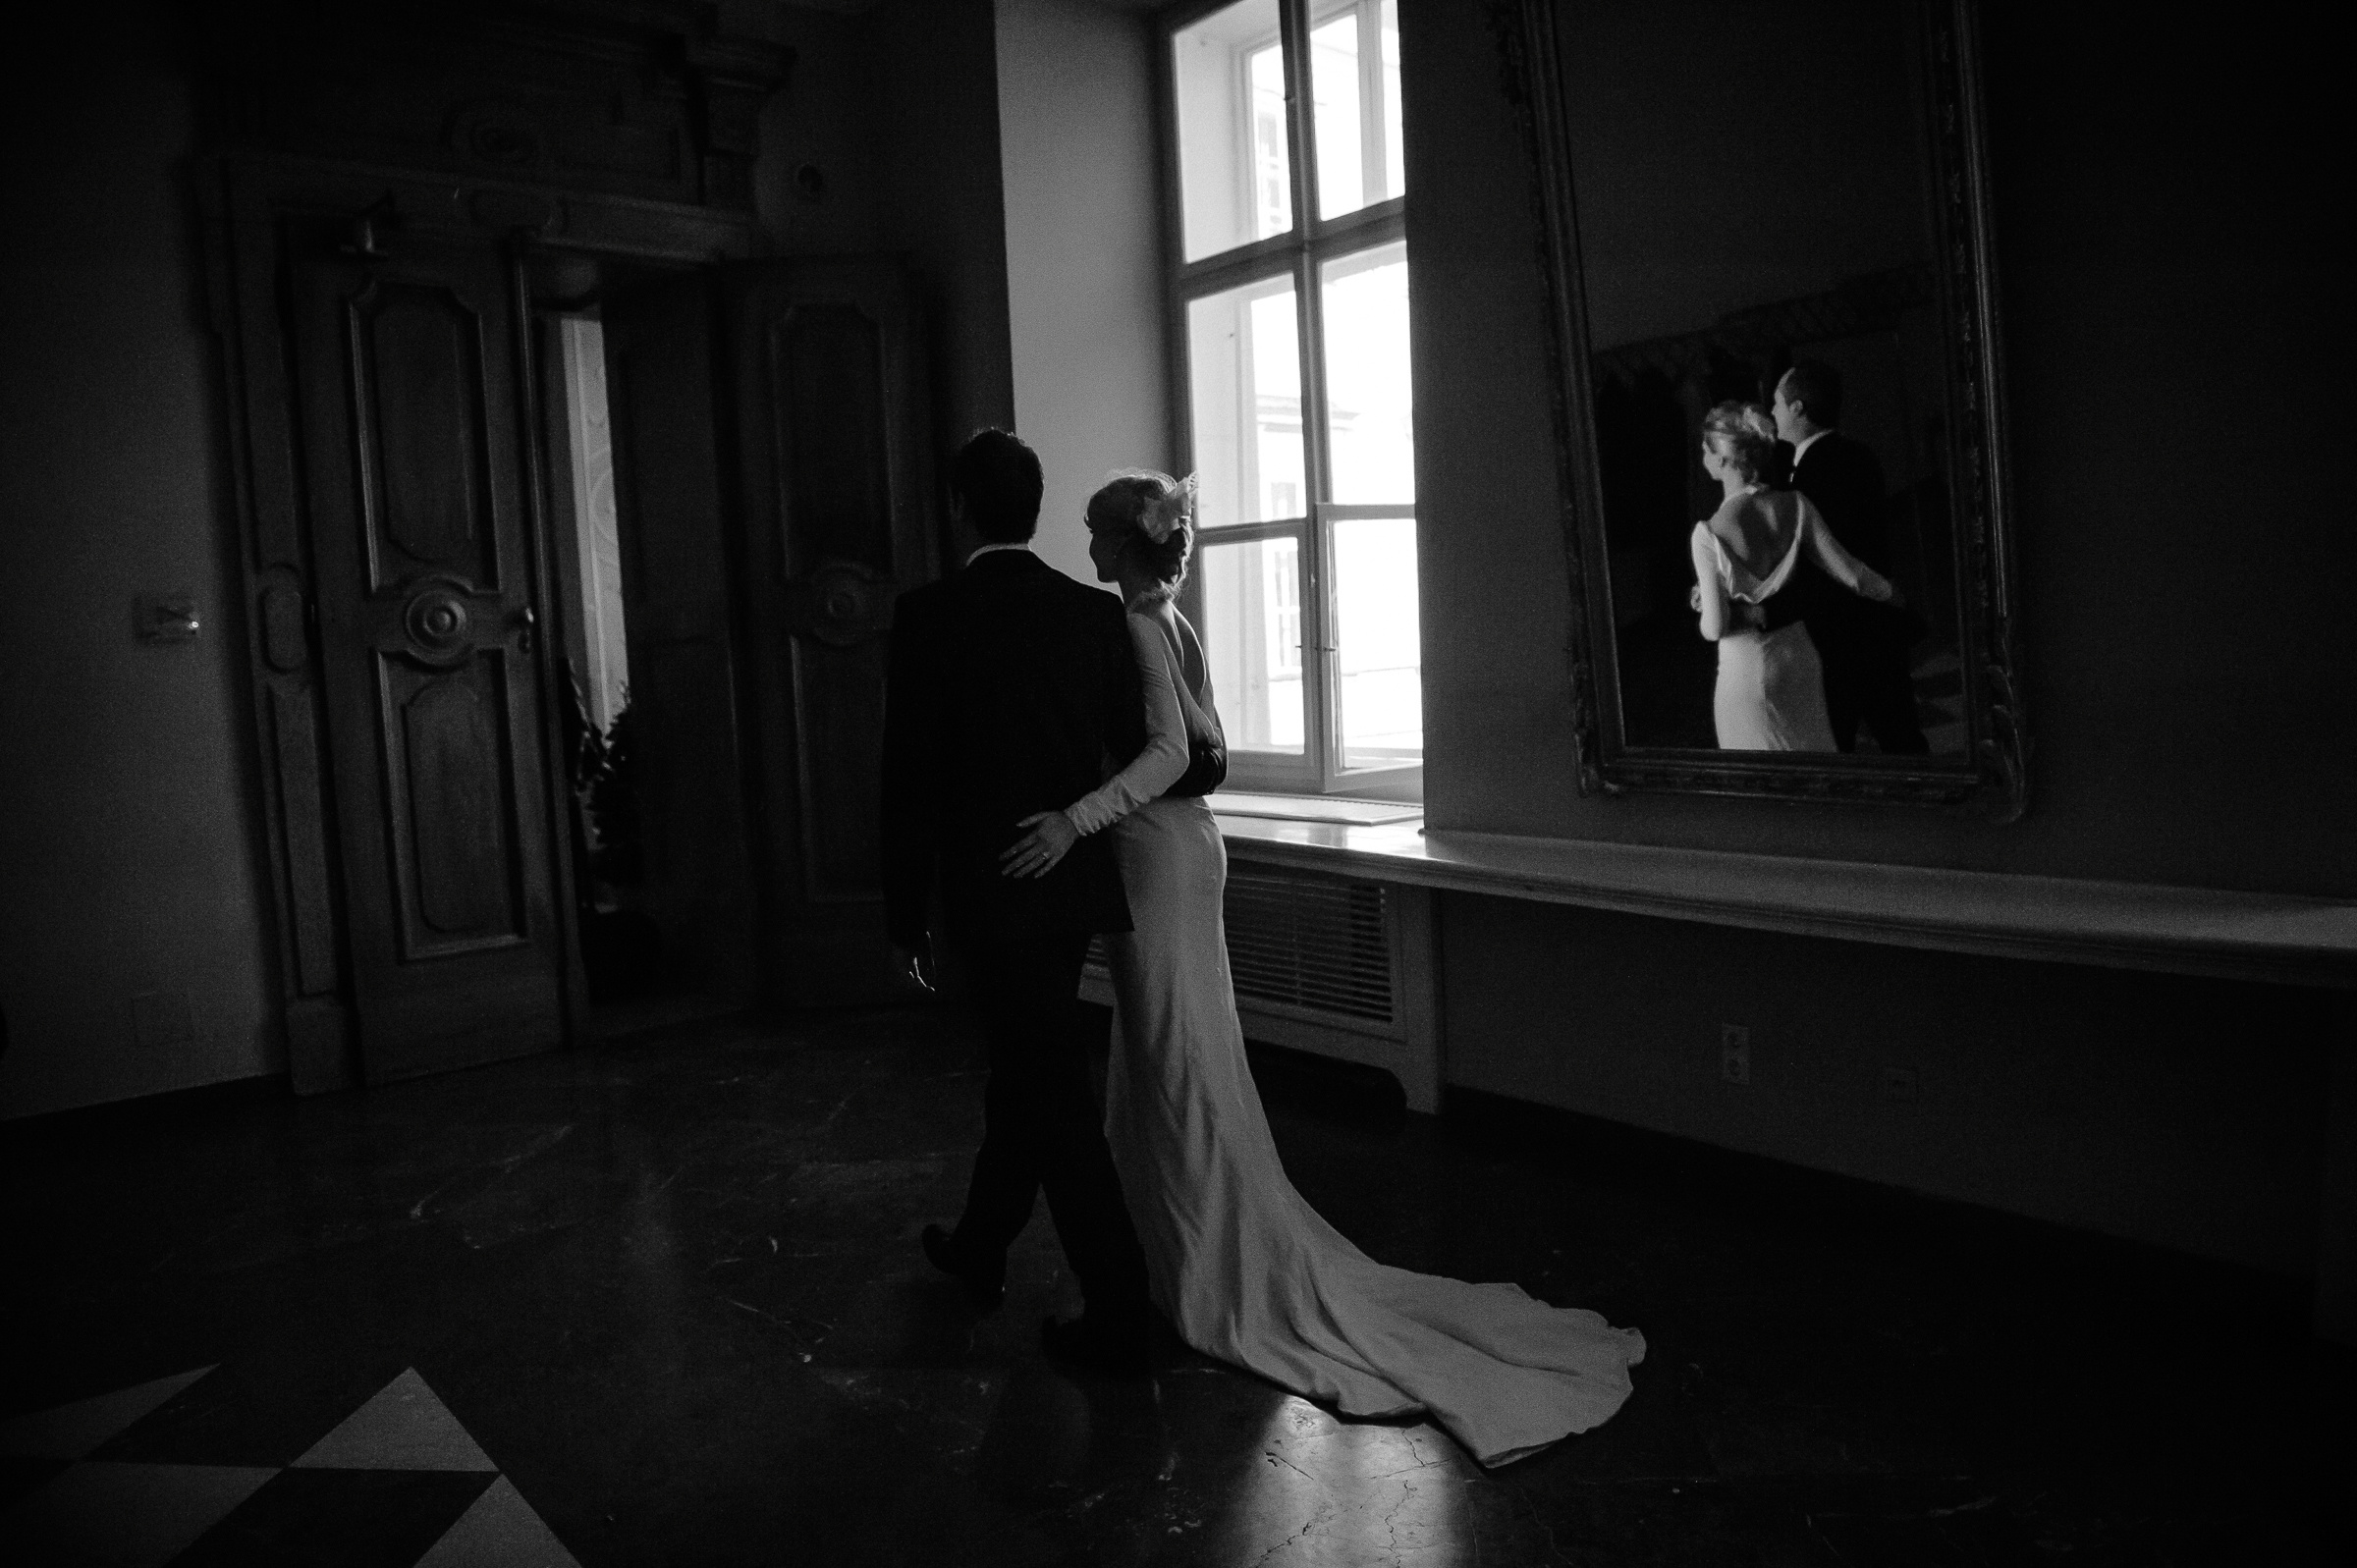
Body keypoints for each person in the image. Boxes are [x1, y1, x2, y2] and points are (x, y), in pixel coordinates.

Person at [994, 469, 1647, 1468]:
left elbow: (1171, 752)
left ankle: (1206, 1266)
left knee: (1174, 1054)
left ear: (1124, 542)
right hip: (1186, 847)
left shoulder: (1137, 625)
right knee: (1179, 1044)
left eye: (1093, 532)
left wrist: (1076, 817)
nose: (1085, 547)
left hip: (1158, 853)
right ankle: (1173, 1254)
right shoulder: (1174, 619)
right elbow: (1208, 747)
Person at [881, 429, 1155, 1372]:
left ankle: (1121, 1310)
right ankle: (980, 1243)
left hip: (989, 896)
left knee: (1050, 1091)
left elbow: (908, 782)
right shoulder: (1092, 613)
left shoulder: (928, 616)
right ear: (1035, 511)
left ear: (960, 507)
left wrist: (904, 916)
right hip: (1068, 884)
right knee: (1027, 1069)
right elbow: (1129, 746)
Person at [1691, 402, 1900, 751]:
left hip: (1745, 673)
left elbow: (1714, 628)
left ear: (1724, 459)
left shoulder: (1708, 533)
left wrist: (1710, 606)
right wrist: (1891, 593)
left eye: (1705, 450)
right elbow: (1851, 573)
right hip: (1800, 658)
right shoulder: (1796, 504)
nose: (1702, 458)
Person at [1771, 363, 1929, 753]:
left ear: (1797, 408)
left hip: (1836, 634)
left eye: (1776, 402)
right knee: (1902, 739)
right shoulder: (1860, 455)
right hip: (1877, 625)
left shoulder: (1808, 478)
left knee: (1836, 745)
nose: (1772, 411)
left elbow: (1820, 564)